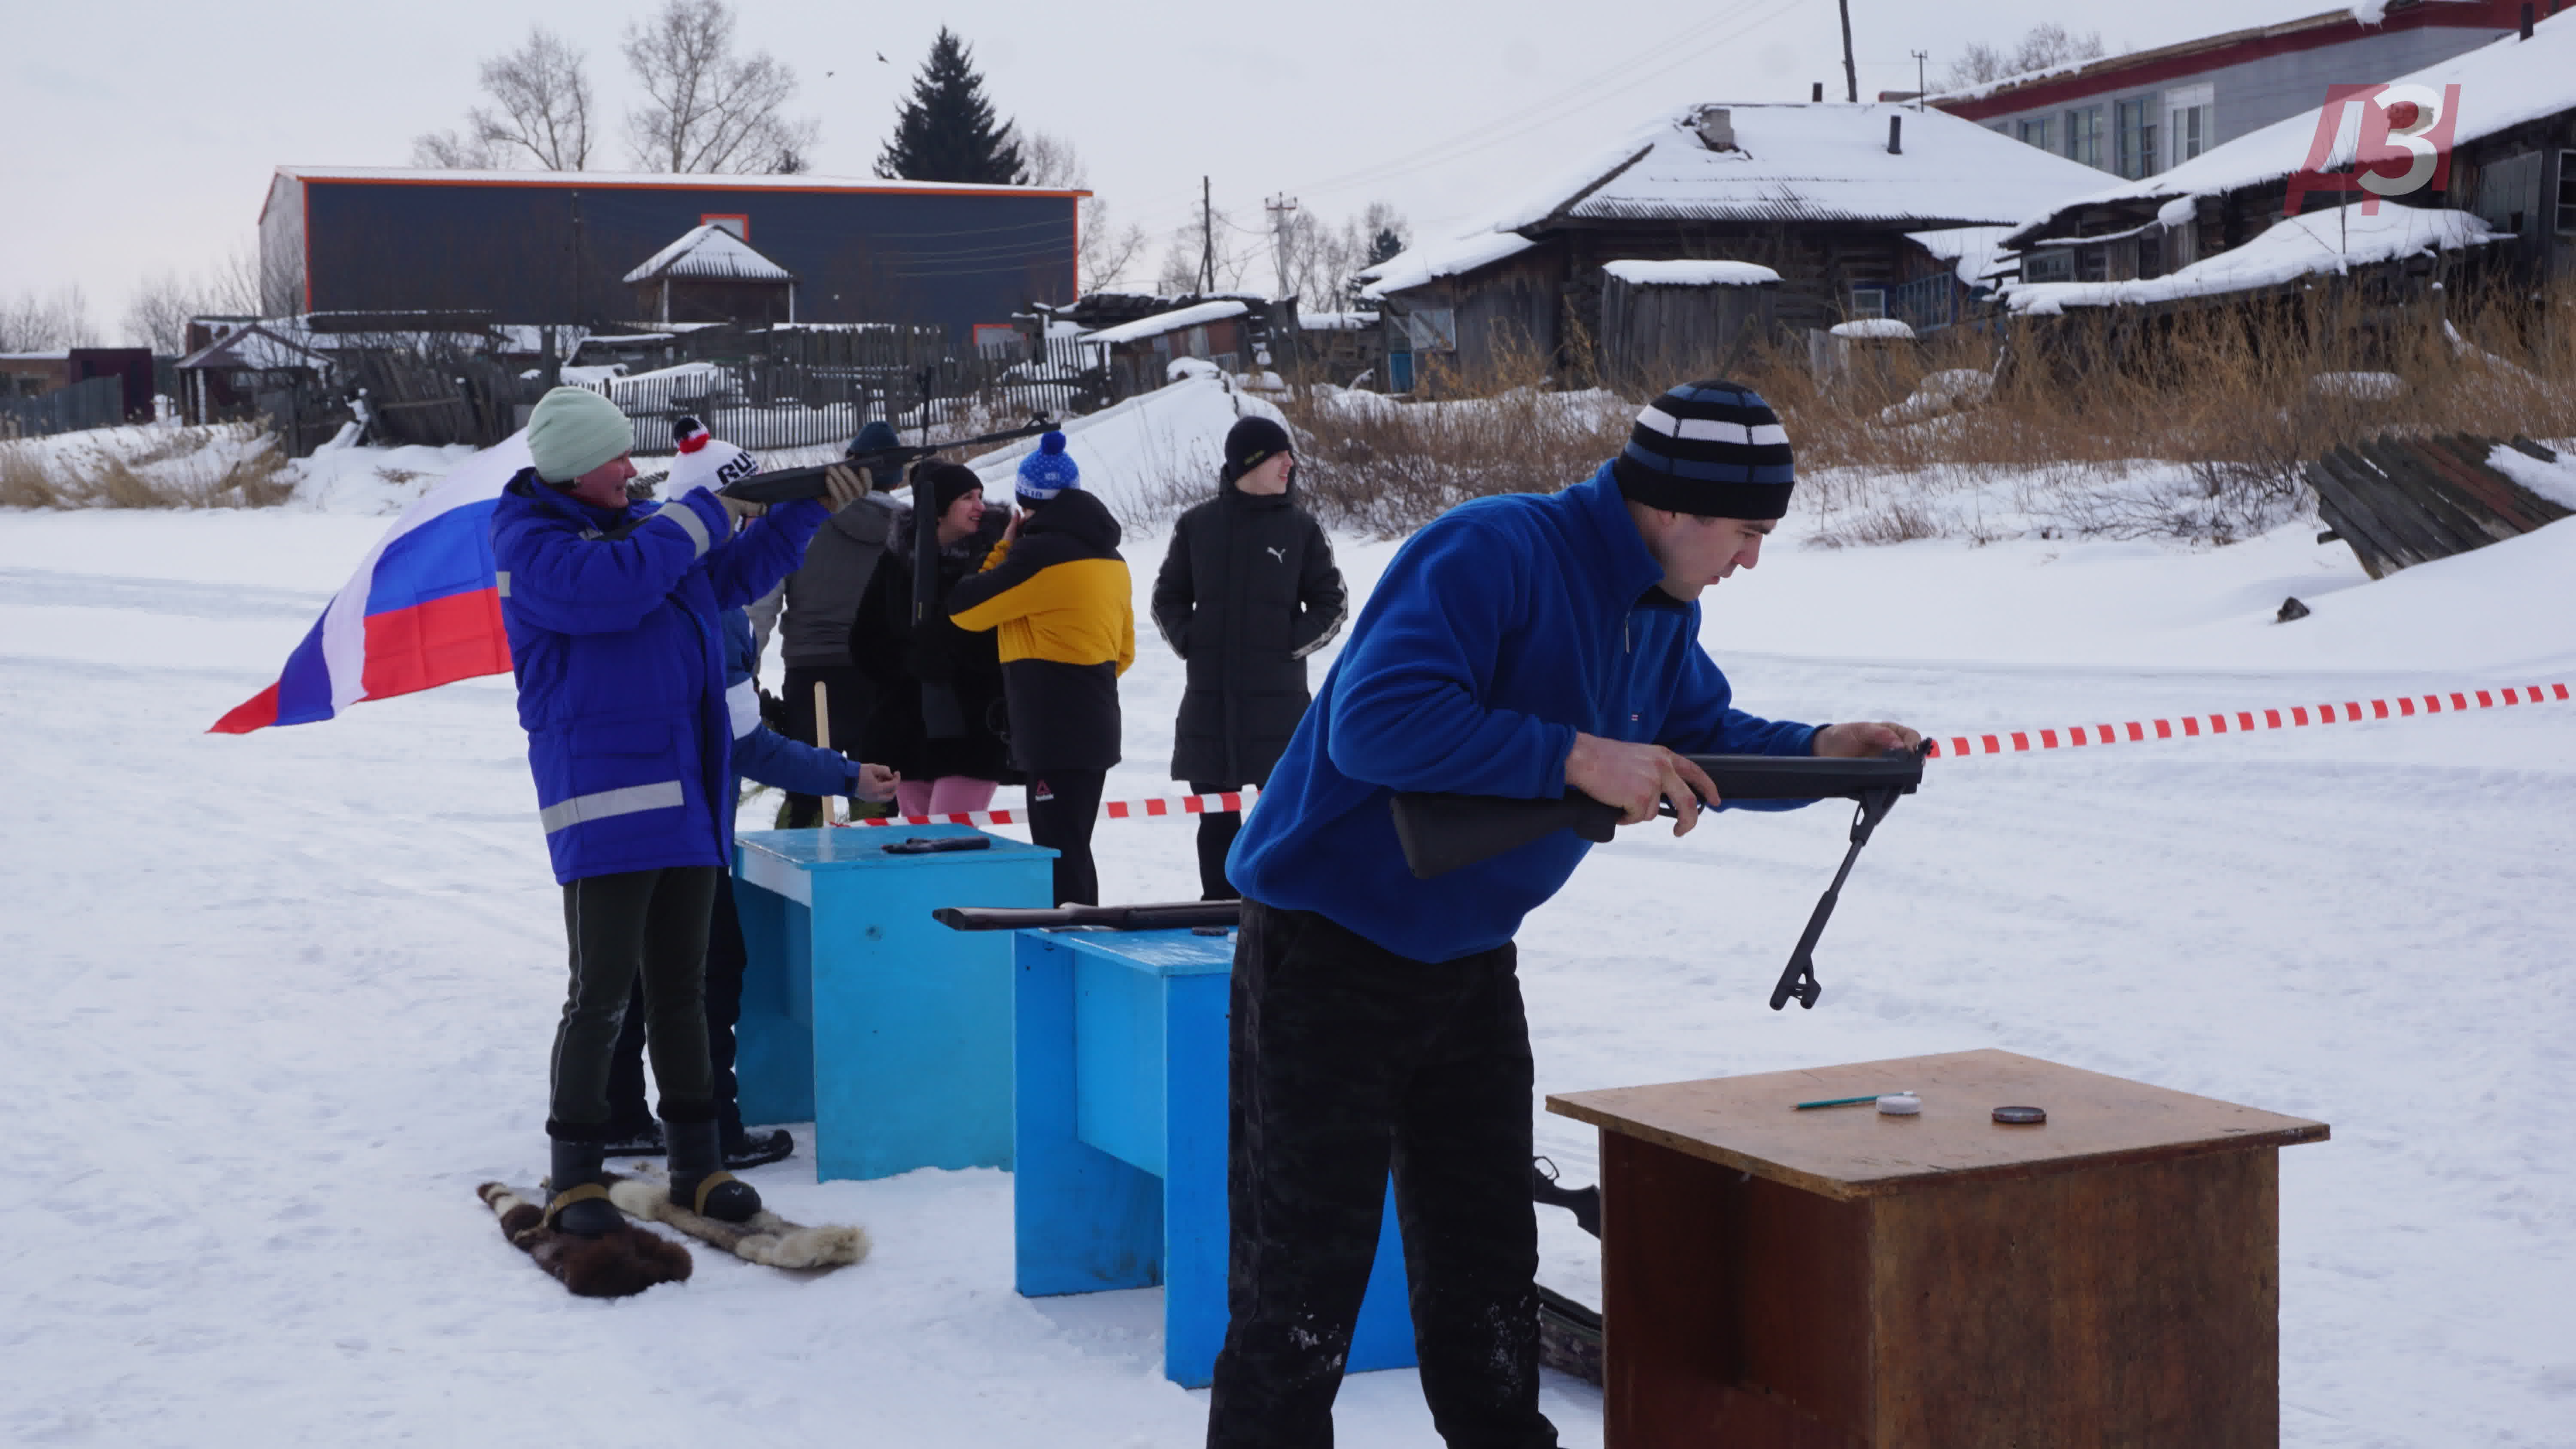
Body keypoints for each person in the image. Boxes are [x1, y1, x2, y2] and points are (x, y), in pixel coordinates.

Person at [1210, 381, 1924, 1446]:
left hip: (1468, 960)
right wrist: (1575, 754)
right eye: (1747, 531)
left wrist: (1823, 756)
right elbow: (1376, 723)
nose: (1752, 558)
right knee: (1302, 1289)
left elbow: (1699, 734)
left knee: (1486, 1263)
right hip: (1329, 950)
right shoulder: (1495, 549)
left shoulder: (1659, 611)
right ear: (1677, 508)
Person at [490, 385, 869, 1237]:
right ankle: (577, 1173)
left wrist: (803, 509)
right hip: (606, 805)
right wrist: (703, 511)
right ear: (575, 467)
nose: (633, 470)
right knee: (600, 999)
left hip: (690, 799)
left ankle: (699, 1163)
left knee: (683, 993)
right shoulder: (536, 546)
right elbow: (615, 588)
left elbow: (728, 575)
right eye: (616, 458)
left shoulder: (644, 532)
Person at [600, 425, 900, 1169]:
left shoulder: (636, 567)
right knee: (709, 973)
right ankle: (712, 1130)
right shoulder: (713, 603)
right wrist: (848, 776)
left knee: (628, 976)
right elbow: (749, 747)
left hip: (625, 815)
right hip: (686, 826)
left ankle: (615, 1114)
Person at [1151, 416, 1347, 900]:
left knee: (1282, 821)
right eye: (1280, 454)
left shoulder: (1300, 528)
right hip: (1208, 709)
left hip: (1279, 711)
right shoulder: (1197, 525)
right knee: (1215, 822)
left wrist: (1284, 643)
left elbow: (1333, 602)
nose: (1291, 464)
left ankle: (1278, 916)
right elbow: (1167, 597)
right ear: (1251, 462)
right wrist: (1191, 639)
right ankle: (1218, 913)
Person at [948, 433, 1134, 906]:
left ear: (1024, 506)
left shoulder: (1036, 556)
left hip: (1053, 728)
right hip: (1097, 722)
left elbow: (966, 609)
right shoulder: (1112, 559)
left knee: (1058, 857)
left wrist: (1002, 551)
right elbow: (1125, 651)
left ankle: (1070, 954)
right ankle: (1084, 947)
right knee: (1075, 848)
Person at [853, 460, 1014, 819]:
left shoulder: (997, 561)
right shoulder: (897, 562)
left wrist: (952, 655)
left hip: (973, 730)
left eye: (981, 496)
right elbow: (865, 641)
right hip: (908, 733)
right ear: (939, 509)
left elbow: (1008, 636)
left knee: (948, 840)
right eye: (967, 498)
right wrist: (908, 660)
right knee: (917, 847)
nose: (980, 506)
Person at [775, 419, 906, 827]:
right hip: (882, 678)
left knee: (807, 796)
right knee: (880, 797)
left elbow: (764, 600)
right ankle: (878, 885)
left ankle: (800, 884)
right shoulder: (910, 530)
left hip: (811, 675)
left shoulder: (807, 522)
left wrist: (747, 666)